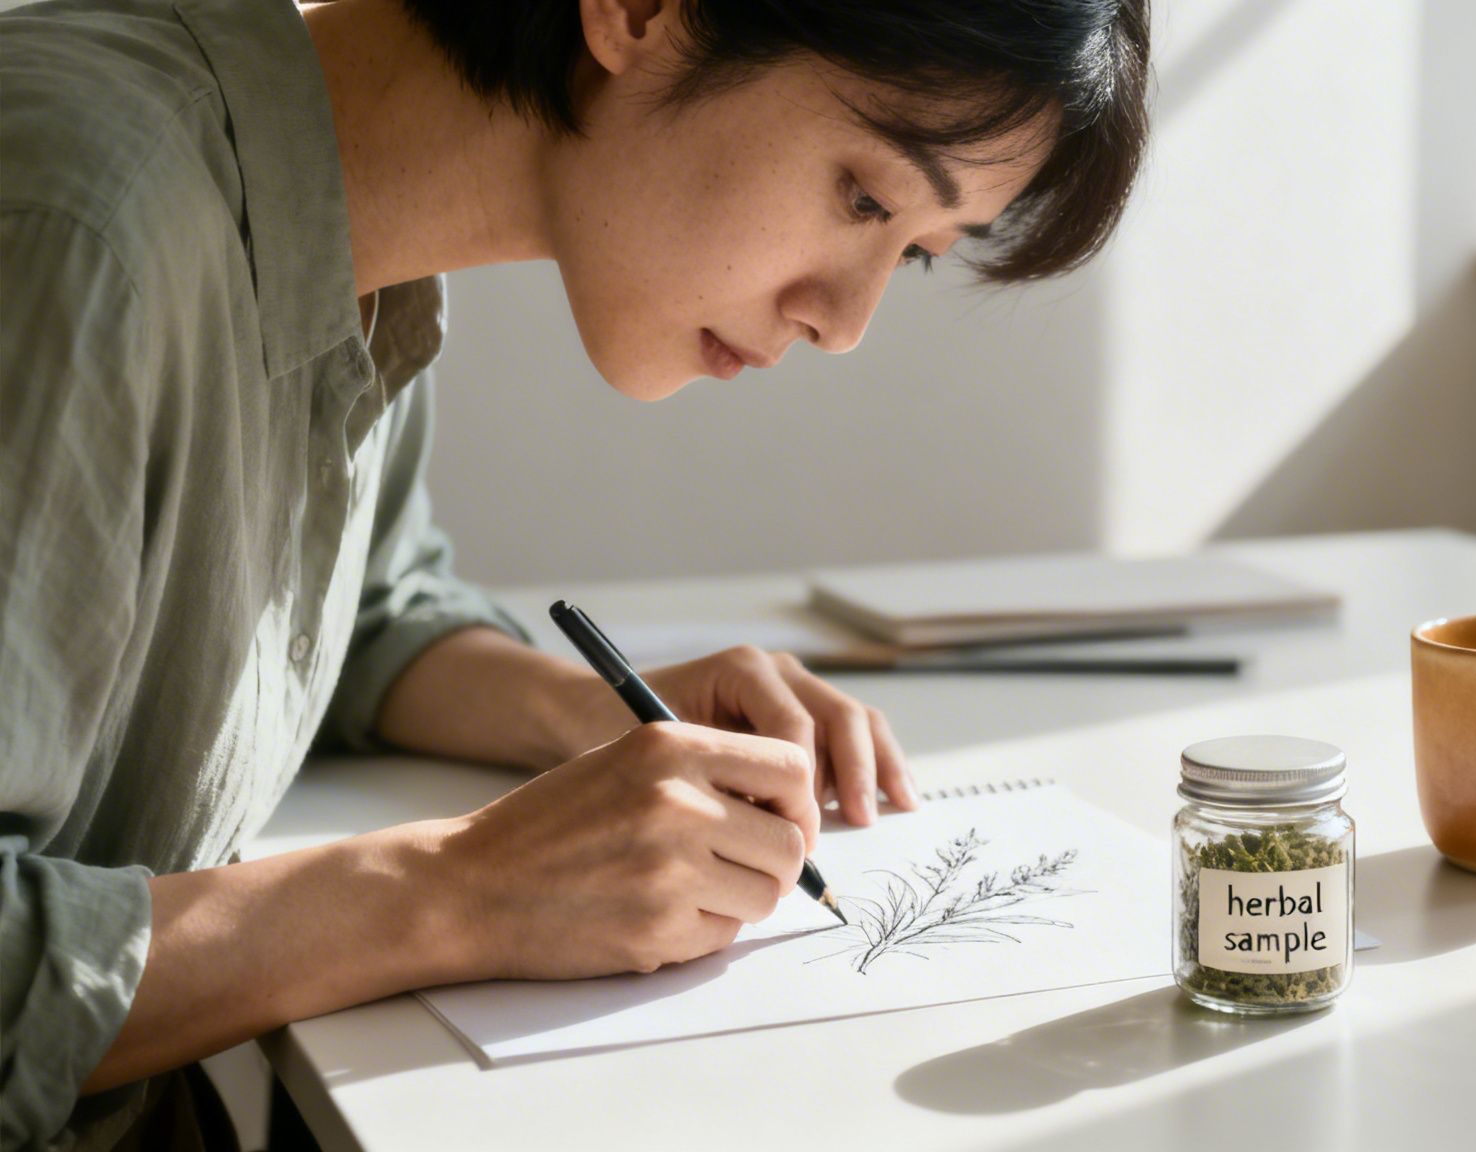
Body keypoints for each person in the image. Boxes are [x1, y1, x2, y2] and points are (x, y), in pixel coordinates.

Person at [0, 0, 1150, 1144]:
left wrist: (589, 714)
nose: (844, 323)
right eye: (861, 195)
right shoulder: (74, 222)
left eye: (907, 253)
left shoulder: (360, 255)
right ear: (642, 11)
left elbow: (351, 619)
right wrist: (453, 892)